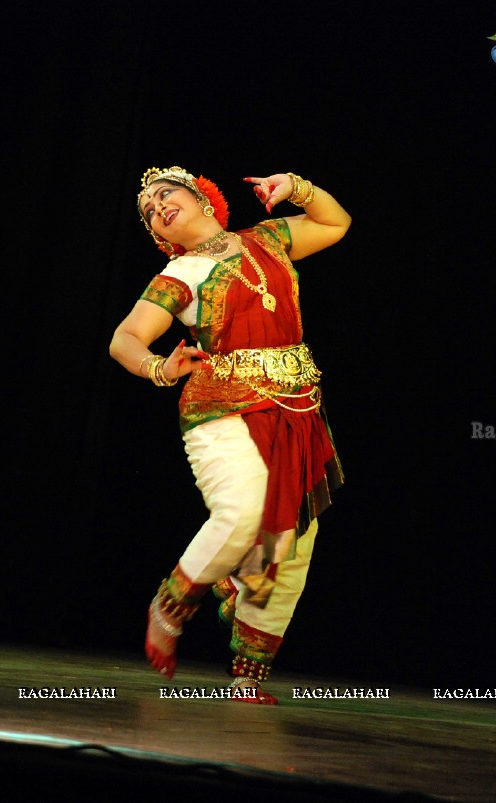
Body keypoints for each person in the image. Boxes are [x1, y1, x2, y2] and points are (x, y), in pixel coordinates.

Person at [109, 165, 350, 704]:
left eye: (165, 195)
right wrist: (158, 368)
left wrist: (299, 187)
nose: (158, 208)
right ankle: (173, 602)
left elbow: (335, 224)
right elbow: (125, 338)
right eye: (149, 212)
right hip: (223, 408)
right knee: (242, 514)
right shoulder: (177, 276)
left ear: (201, 197)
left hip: (296, 408)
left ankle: (248, 676)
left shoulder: (267, 239)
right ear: (160, 236)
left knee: (289, 547)